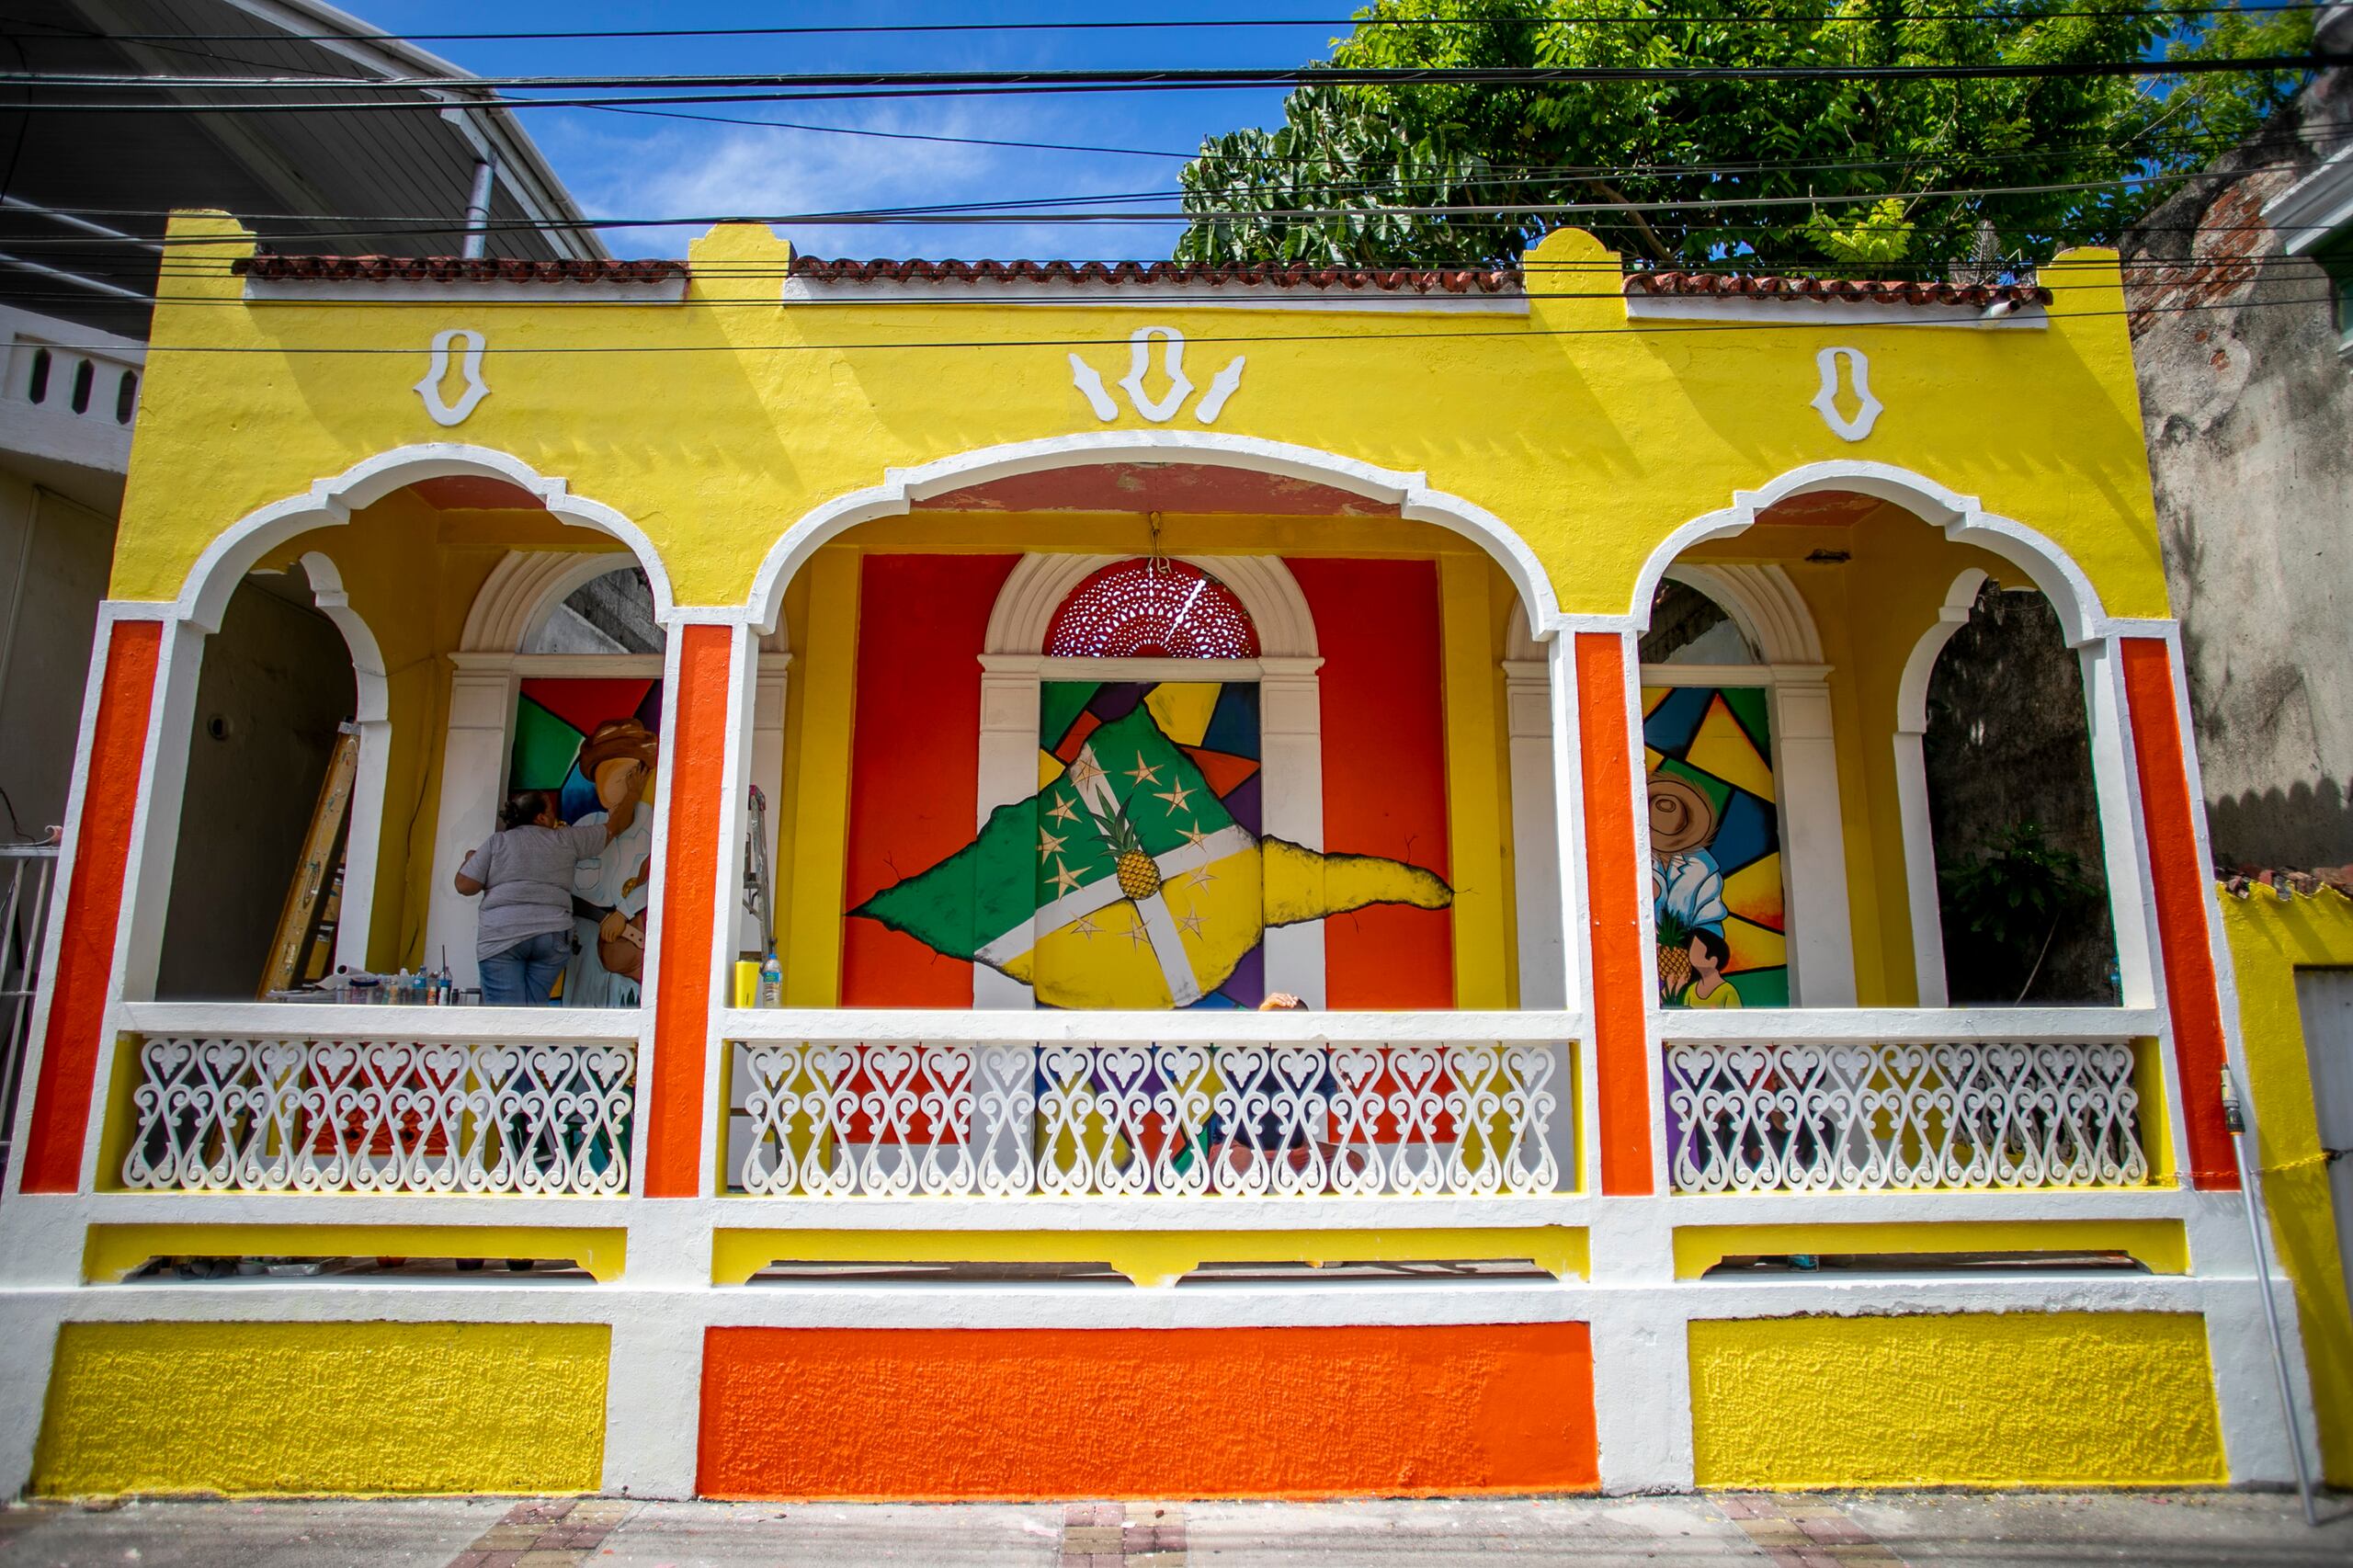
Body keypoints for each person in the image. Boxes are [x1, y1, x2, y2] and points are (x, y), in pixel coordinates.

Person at [455, 775, 645, 1006]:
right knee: (534, 1011)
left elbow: (465, 886)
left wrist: (469, 859)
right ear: (541, 817)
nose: (556, 817)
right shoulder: (565, 840)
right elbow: (615, 826)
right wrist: (633, 793)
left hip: (503, 937)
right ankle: (528, 1042)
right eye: (551, 811)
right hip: (551, 936)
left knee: (504, 1014)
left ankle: (514, 1042)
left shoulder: (497, 843)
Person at [1677, 928, 1743, 1009]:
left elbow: (1735, 1019)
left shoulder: (1728, 991)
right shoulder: (1691, 990)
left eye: (1697, 951)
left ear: (1713, 961)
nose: (1690, 954)